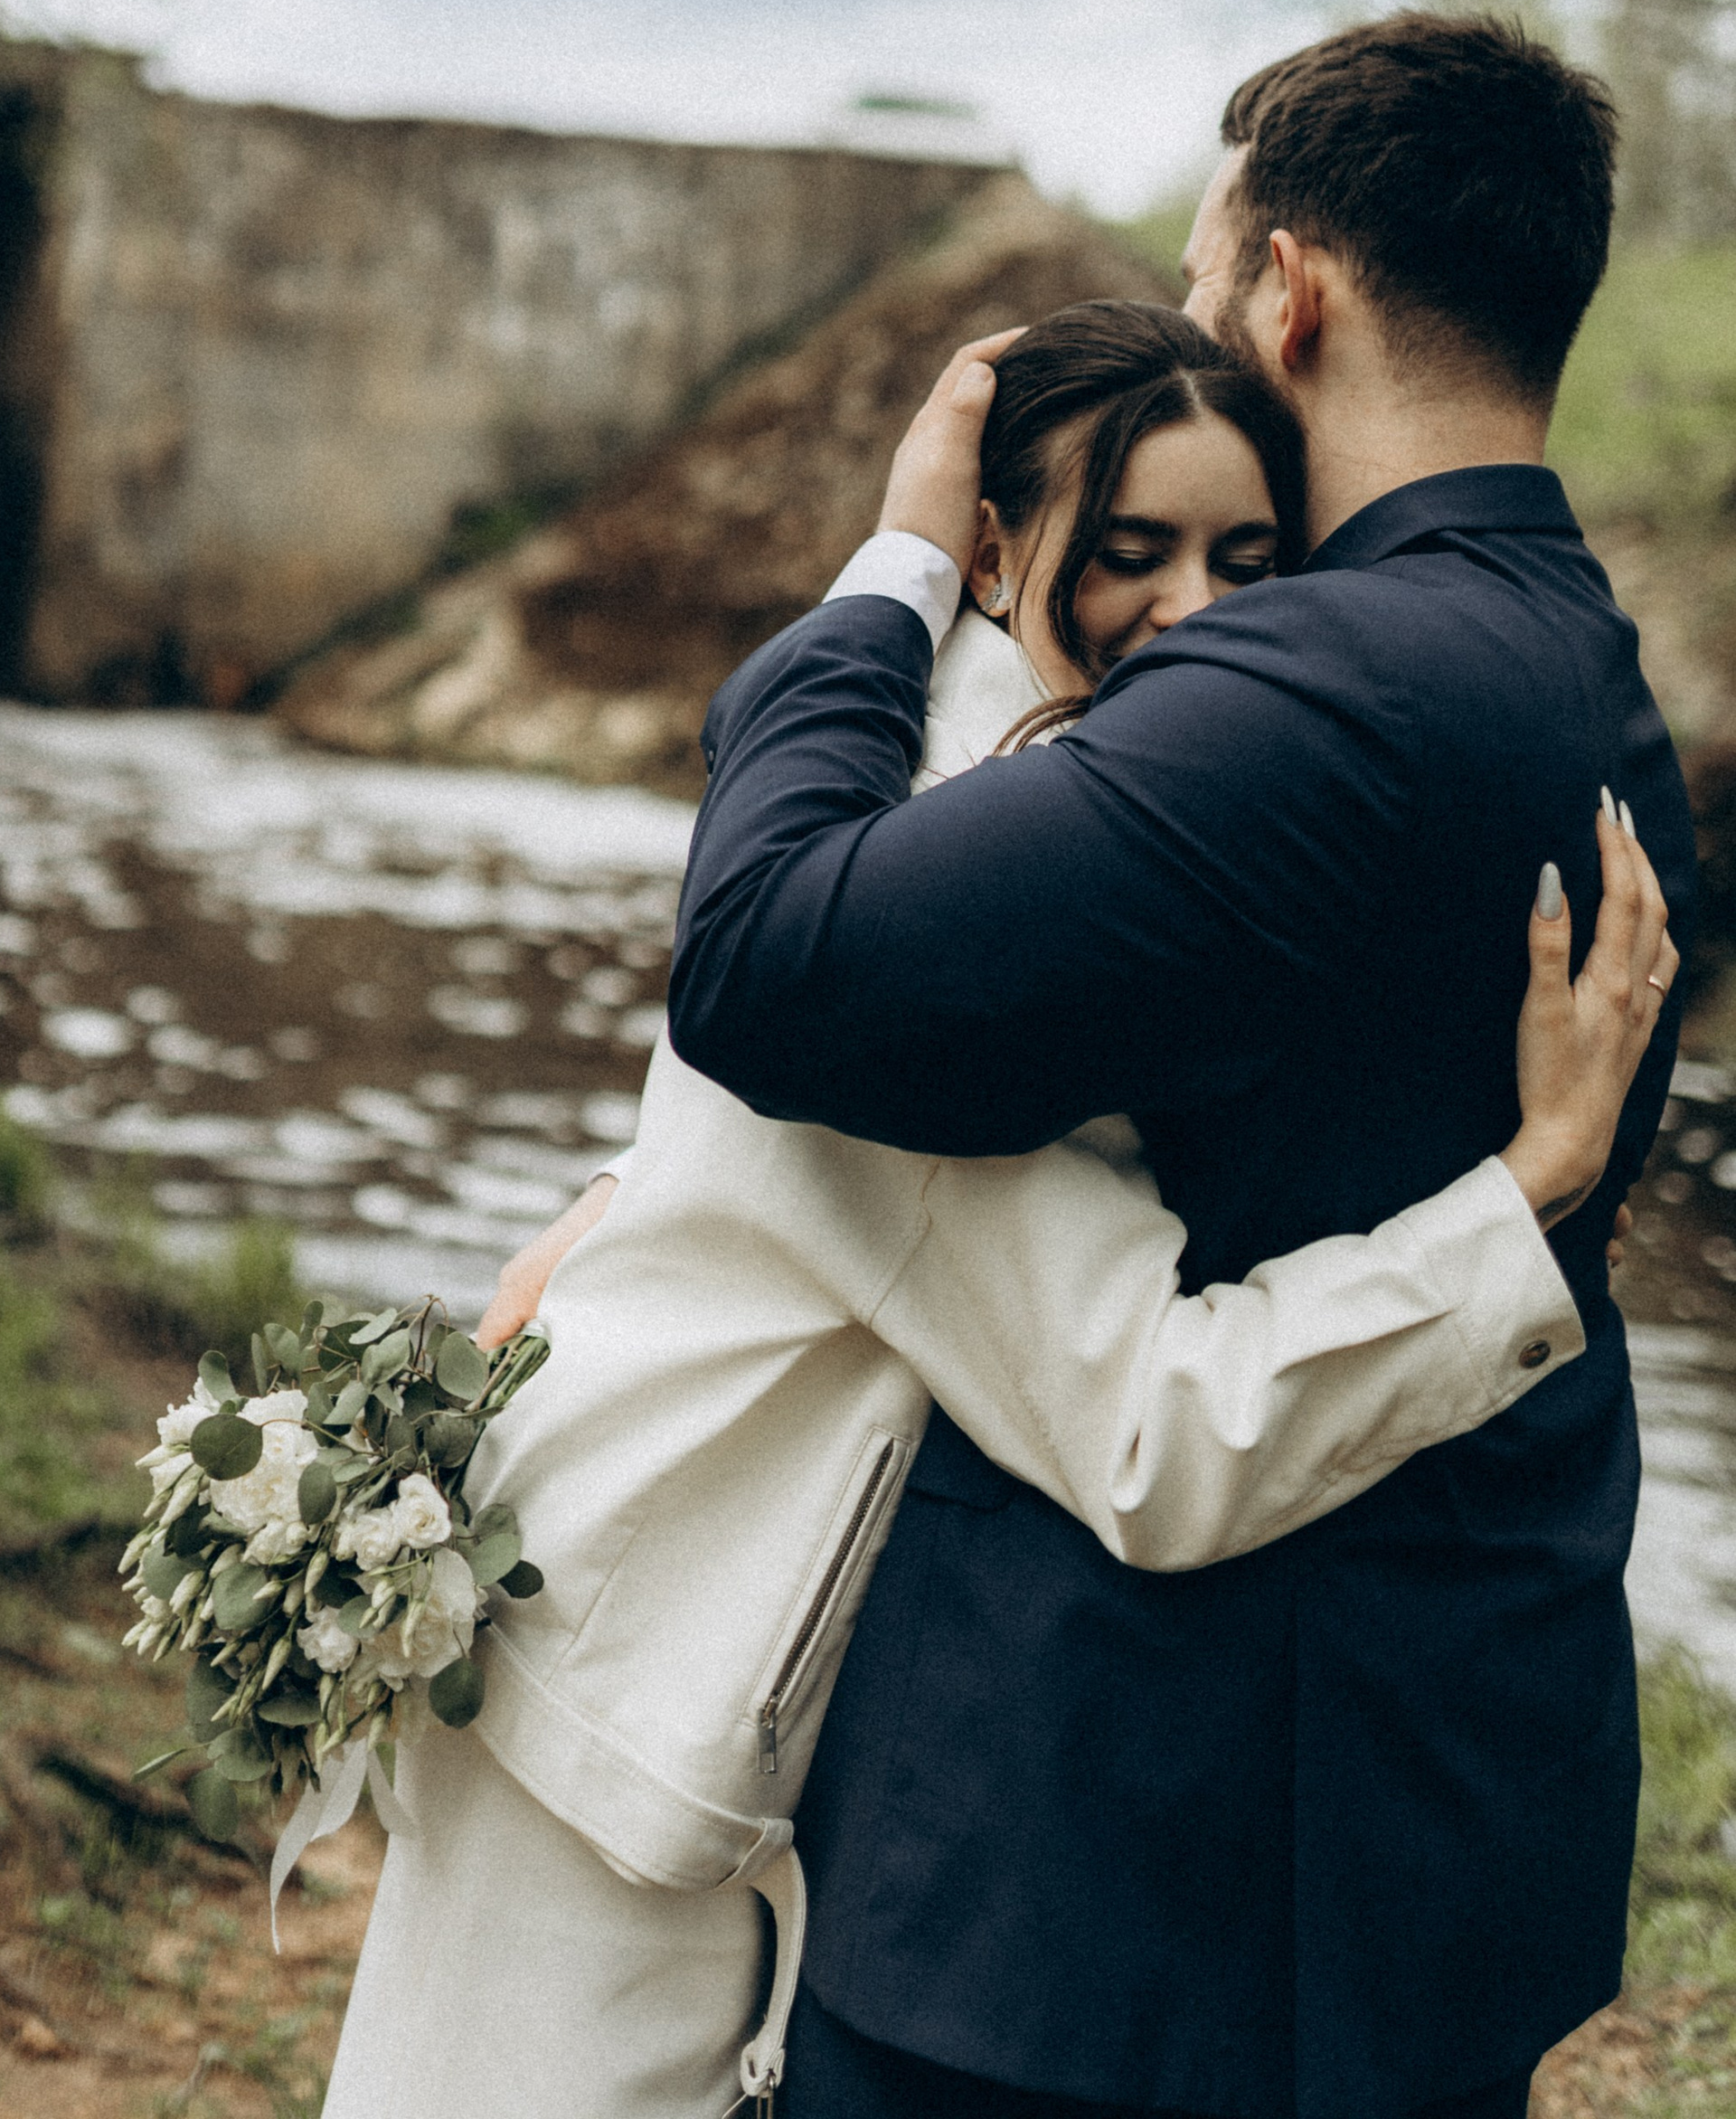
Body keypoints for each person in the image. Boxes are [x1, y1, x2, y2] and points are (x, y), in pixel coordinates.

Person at [318, 296, 1677, 2119]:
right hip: (611, 1777)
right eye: (1131, 551)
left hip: (634, 1707)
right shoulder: (963, 923)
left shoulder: (936, 792)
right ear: (992, 545)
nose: (1196, 608)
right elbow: (1157, 1429)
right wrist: (1526, 1195)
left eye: (1245, 555)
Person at [665, 14, 1697, 2119]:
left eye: (1207, 283)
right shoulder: (1590, 678)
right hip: (1430, 1803)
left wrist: (889, 569)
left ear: (1287, 289)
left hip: (1116, 1885)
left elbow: (768, 964)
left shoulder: (1305, 687)